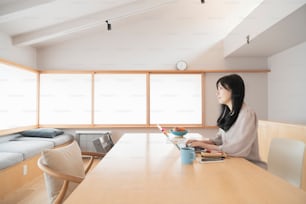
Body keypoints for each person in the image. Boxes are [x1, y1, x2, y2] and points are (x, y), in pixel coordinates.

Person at [186, 74, 266, 169]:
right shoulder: (229, 114)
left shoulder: (247, 114)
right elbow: (219, 141)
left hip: (248, 166)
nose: (217, 93)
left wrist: (203, 145)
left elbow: (238, 149)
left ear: (233, 90)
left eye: (220, 88)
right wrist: (199, 142)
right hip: (233, 163)